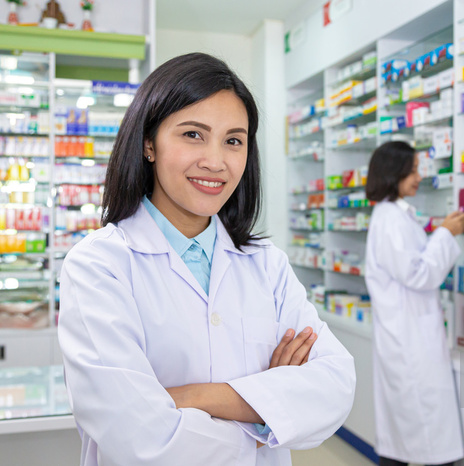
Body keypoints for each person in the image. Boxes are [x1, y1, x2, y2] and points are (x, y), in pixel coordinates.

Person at [58, 53, 356, 466]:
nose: (215, 161)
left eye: (233, 140)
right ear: (149, 143)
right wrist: (266, 413)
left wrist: (192, 398)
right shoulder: (99, 266)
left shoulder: (267, 265)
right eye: (193, 134)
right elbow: (138, 437)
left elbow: (335, 386)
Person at [364, 141, 464, 466]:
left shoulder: (396, 215)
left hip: (408, 334)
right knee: (424, 426)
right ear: (394, 173)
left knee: (408, 430)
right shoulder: (390, 219)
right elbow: (418, 274)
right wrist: (445, 234)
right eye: (413, 170)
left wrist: (440, 235)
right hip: (408, 341)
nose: (418, 177)